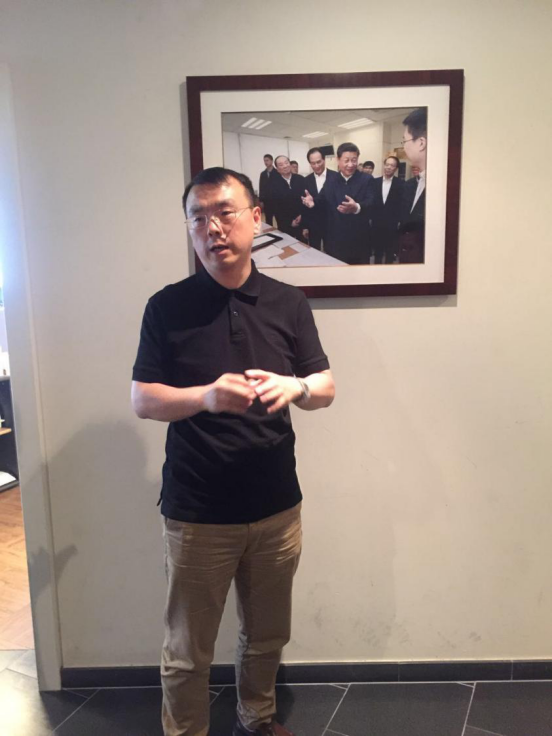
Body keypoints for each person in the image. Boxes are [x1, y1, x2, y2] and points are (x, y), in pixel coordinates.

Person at [132, 166, 335, 736]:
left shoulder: (288, 302)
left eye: (225, 212)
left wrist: (295, 387)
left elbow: (325, 387)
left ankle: (258, 718)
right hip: (197, 511)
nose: (213, 228)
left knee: (267, 635)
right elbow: (143, 399)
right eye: (198, 218)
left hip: (277, 507)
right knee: (186, 650)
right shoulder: (167, 306)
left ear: (256, 218)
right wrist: (205, 397)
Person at [301, 142, 373, 264]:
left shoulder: (366, 179)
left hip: (359, 240)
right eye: (346, 160)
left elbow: (372, 202)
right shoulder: (331, 180)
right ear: (338, 160)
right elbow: (322, 199)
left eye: (354, 160)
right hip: (335, 241)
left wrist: (356, 207)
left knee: (359, 273)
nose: (350, 164)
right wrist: (313, 202)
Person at [399, 108, 427, 263]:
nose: (404, 147)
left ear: (421, 143)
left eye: (405, 141)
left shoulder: (443, 187)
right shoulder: (419, 181)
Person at [301, 147, 339, 250]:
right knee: (314, 251)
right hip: (314, 224)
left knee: (332, 251)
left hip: (332, 223)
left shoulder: (336, 177)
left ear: (324, 159)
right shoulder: (306, 180)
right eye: (313, 163)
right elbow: (304, 206)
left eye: (319, 162)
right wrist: (305, 226)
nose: (316, 166)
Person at [370, 156, 405, 264]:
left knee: (390, 251)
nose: (389, 167)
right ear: (384, 165)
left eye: (392, 165)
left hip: (392, 223)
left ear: (396, 168)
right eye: (387, 164)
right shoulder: (374, 182)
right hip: (376, 222)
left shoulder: (401, 184)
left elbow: (402, 204)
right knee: (377, 251)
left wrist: (399, 221)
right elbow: (371, 202)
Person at [271, 155, 306, 241]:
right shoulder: (273, 184)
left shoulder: (301, 179)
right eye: (281, 165)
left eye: (286, 163)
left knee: (303, 245)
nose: (285, 166)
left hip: (302, 221)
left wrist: (302, 216)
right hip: (285, 224)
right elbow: (276, 208)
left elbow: (306, 199)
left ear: (289, 164)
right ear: (277, 169)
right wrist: (290, 222)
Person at [258, 154, 276, 227]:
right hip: (267, 200)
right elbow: (261, 187)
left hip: (277, 200)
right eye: (264, 161)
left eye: (267, 160)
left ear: (271, 161)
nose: (265, 162)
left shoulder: (277, 172)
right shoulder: (263, 174)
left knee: (279, 218)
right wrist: (261, 200)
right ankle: (270, 232)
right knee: (268, 219)